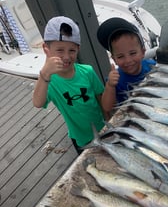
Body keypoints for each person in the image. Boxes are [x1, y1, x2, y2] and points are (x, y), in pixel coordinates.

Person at [33, 16, 111, 155]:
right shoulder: (49, 81)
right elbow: (38, 103)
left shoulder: (87, 71)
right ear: (46, 49)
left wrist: (107, 119)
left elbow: (100, 97)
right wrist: (45, 73)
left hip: (101, 128)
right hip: (80, 137)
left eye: (72, 50)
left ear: (78, 49)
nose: (67, 56)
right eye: (60, 50)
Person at [97, 17, 156, 110]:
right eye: (120, 56)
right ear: (114, 59)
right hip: (132, 117)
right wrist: (110, 85)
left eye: (132, 53)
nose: (128, 60)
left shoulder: (152, 66)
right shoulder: (115, 80)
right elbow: (107, 107)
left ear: (143, 52)